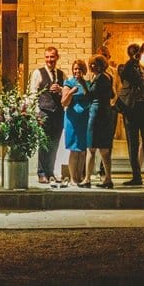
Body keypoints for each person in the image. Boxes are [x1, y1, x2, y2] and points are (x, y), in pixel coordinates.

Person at [117, 43, 144, 187]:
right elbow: (126, 73)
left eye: (139, 52)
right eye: (135, 53)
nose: (137, 55)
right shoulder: (125, 68)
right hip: (132, 111)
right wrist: (133, 58)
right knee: (133, 145)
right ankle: (136, 176)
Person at [27, 46, 65, 184]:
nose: (50, 60)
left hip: (58, 113)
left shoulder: (61, 74)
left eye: (52, 57)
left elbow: (66, 95)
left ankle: (51, 172)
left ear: (57, 57)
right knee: (44, 144)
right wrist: (36, 113)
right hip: (44, 112)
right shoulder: (38, 73)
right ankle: (41, 172)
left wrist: (60, 90)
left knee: (54, 145)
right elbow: (32, 93)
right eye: (47, 57)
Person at [80, 55, 117, 188]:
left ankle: (88, 179)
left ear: (101, 64)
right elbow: (112, 95)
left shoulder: (100, 78)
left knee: (91, 148)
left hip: (97, 114)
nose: (92, 66)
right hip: (106, 113)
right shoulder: (108, 76)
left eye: (95, 64)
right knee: (104, 149)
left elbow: (90, 96)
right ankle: (107, 178)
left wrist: (82, 83)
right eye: (91, 64)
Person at [61, 59, 91, 187]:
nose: (77, 71)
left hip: (85, 118)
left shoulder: (88, 83)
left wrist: (84, 86)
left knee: (83, 150)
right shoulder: (68, 83)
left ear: (84, 70)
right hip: (73, 119)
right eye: (75, 69)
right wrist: (71, 92)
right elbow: (64, 102)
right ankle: (73, 178)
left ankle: (80, 176)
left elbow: (90, 97)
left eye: (79, 69)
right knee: (74, 149)